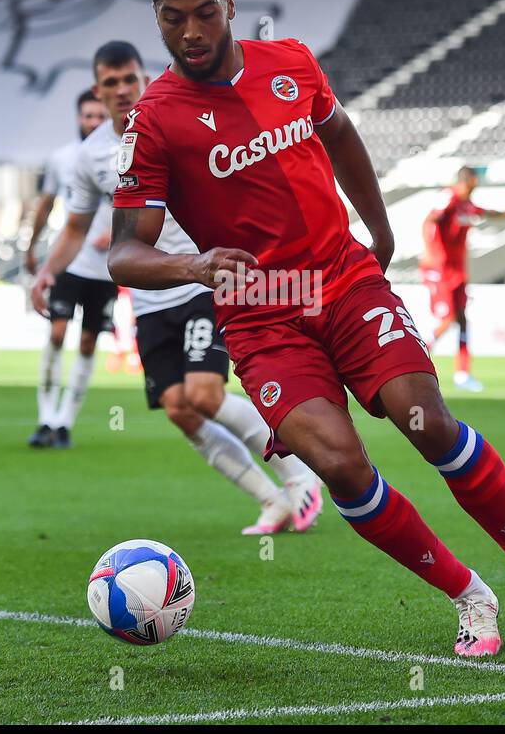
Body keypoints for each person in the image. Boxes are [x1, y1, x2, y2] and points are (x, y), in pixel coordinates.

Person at [107, 0, 505, 655]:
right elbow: (125, 250)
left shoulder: (292, 64)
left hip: (342, 279)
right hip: (261, 318)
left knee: (426, 422)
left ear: (230, 4)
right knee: (340, 465)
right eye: (171, 17)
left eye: (204, 13)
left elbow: (340, 136)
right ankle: (470, 596)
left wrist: (379, 229)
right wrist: (193, 266)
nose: (190, 32)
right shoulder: (153, 120)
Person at [33, 40, 322, 534]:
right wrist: (46, 270)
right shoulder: (89, 156)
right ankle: (270, 499)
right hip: (149, 298)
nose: (123, 91)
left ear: (143, 80)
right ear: (98, 90)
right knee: (178, 410)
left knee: (205, 395)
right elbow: (77, 228)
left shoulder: (174, 123)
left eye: (130, 80)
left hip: (200, 281)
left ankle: (300, 476)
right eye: (111, 83)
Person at [25, 90, 113, 449]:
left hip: (106, 269)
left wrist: (118, 232)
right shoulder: (62, 159)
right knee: (58, 334)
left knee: (89, 341)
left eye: (98, 116)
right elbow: (45, 206)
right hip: (70, 261)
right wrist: (32, 248)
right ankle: (45, 418)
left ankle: (65, 423)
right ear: (78, 117)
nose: (92, 122)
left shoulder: (121, 154)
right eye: (87, 116)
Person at [421, 165, 505, 391]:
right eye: (475, 181)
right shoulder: (449, 197)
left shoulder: (466, 204)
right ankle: (419, 352)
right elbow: (430, 221)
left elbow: (485, 213)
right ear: (468, 180)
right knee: (449, 318)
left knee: (462, 319)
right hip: (439, 268)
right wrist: (432, 253)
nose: (476, 185)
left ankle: (463, 375)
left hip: (456, 270)